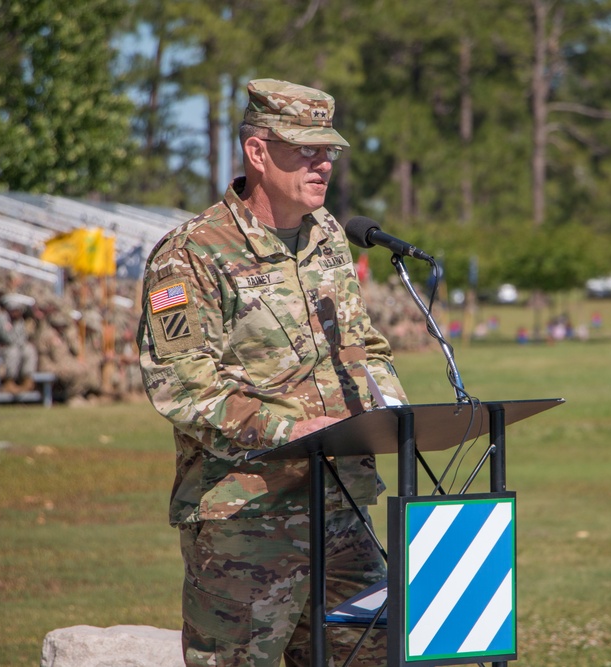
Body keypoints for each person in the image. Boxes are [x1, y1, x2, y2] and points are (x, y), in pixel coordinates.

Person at [137, 78, 409, 667]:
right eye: (305, 149)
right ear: (257, 152)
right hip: (247, 521)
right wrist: (294, 431)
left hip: (342, 508)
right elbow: (182, 386)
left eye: (328, 150)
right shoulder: (191, 253)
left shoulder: (329, 237)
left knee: (378, 654)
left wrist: (390, 410)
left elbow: (365, 346)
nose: (323, 163)